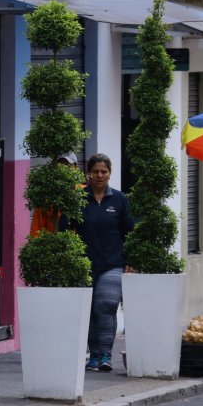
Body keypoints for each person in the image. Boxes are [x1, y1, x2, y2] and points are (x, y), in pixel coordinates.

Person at [67, 153, 133, 373]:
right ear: (88, 173)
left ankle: (105, 355)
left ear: (109, 174)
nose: (99, 175)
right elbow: (66, 230)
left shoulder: (120, 200)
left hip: (112, 263)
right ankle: (93, 355)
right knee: (89, 310)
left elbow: (129, 233)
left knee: (105, 306)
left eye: (104, 171)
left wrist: (130, 260)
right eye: (95, 171)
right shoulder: (78, 198)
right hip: (83, 265)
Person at [29, 152, 81, 237]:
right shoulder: (45, 198)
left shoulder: (84, 194)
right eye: (60, 166)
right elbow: (36, 234)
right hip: (53, 247)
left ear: (76, 168)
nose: (63, 170)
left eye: (68, 165)